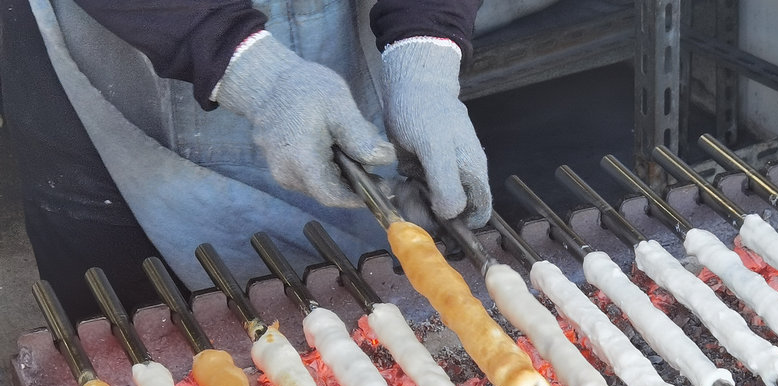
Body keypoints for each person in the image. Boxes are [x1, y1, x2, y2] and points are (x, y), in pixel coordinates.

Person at [0, 0, 499, 320]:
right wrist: (249, 66)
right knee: (137, 328)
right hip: (130, 30)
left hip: (332, 24)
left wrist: (426, 44)